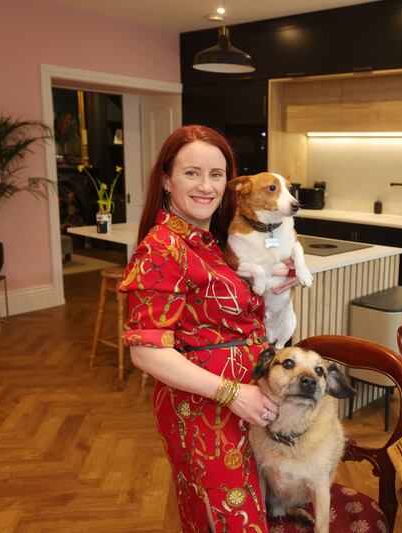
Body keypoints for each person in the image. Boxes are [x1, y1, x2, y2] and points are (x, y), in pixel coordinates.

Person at [120, 125, 295, 532]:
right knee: (234, 519)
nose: (206, 186)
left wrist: (277, 290)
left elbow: (235, 321)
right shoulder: (162, 247)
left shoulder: (214, 241)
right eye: (191, 173)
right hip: (205, 411)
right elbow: (145, 351)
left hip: (250, 402)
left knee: (242, 512)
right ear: (166, 179)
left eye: (216, 174)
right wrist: (234, 394)